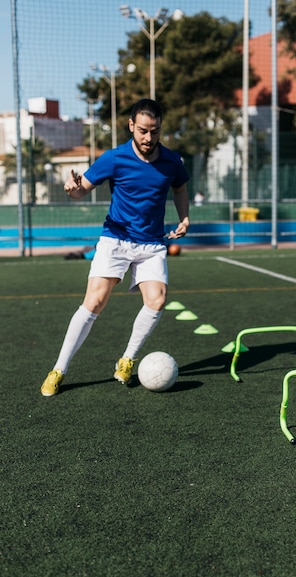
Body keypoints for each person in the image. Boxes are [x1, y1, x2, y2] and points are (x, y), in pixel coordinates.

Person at [41, 98, 190, 397]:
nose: (149, 138)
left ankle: (127, 360)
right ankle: (59, 369)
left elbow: (180, 187)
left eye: (156, 131)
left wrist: (184, 217)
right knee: (95, 301)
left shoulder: (172, 161)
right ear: (131, 126)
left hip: (152, 243)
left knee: (157, 300)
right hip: (116, 239)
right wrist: (73, 189)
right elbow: (81, 189)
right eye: (144, 131)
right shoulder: (115, 158)